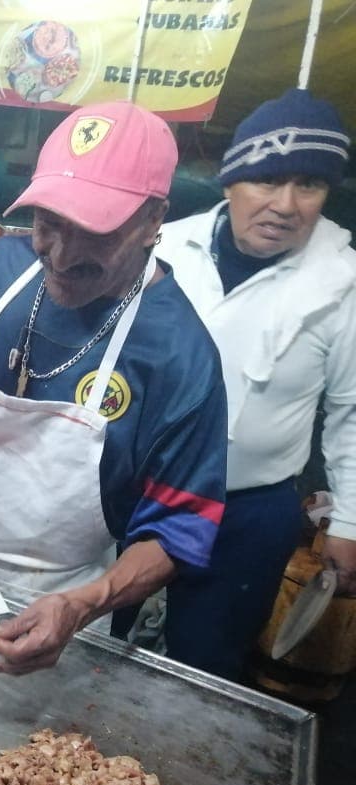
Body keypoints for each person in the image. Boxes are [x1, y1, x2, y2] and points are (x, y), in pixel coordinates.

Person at [0, 101, 228, 675]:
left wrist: (82, 606)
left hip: (71, 602)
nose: (62, 254)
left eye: (96, 233)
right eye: (49, 223)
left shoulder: (180, 356)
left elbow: (180, 531)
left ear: (155, 219)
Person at [155, 88, 356, 681]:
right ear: (230, 181)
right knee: (101, 635)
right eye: (267, 181)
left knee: (207, 663)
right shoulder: (168, 247)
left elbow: (351, 413)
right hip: (140, 492)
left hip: (251, 510)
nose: (286, 204)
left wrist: (348, 524)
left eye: (310, 186)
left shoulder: (341, 283)